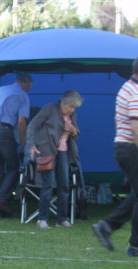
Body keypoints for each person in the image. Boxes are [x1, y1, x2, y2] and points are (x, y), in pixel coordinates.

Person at [92, 52, 138, 258]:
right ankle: (136, 246)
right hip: (133, 149)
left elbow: (118, 120)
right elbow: (136, 127)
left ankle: (107, 226)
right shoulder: (137, 93)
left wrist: (121, 143)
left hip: (127, 147)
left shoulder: (128, 88)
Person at [27, 90, 82, 229]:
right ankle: (42, 219)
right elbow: (32, 125)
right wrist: (31, 144)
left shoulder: (72, 115)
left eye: (74, 107)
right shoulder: (50, 108)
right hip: (47, 150)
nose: (72, 110)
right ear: (62, 102)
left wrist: (73, 130)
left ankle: (62, 219)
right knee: (49, 184)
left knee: (64, 185)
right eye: (70, 106)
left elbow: (75, 137)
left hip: (64, 152)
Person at [0, 73, 33, 217]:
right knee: (13, 167)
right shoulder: (22, 95)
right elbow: (21, 121)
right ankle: (2, 200)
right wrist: (23, 141)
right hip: (4, 130)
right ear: (26, 86)